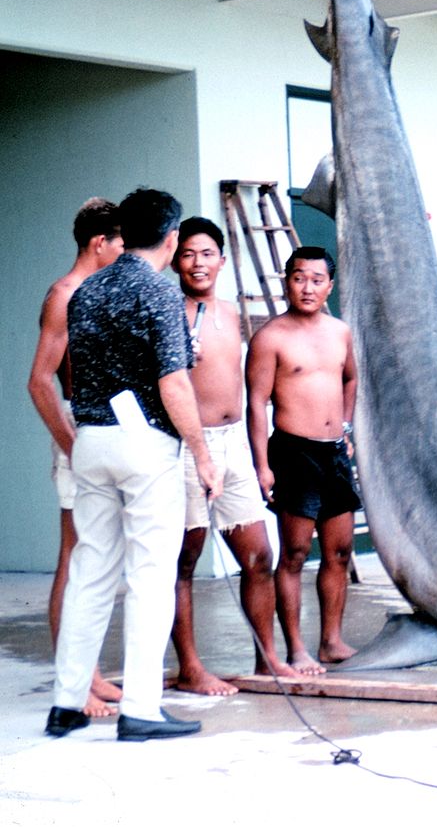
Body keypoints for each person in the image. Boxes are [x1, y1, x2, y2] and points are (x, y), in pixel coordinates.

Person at [45, 188, 222, 742]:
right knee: (150, 576)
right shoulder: (160, 294)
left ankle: (67, 702)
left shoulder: (86, 290)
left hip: (90, 438)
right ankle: (141, 709)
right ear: (171, 238)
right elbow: (172, 381)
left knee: (90, 572)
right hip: (145, 442)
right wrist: (201, 451)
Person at [171, 217, 297, 694]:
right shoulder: (167, 310)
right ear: (175, 260)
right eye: (187, 254)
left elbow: (252, 391)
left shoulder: (232, 313)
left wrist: (260, 457)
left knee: (259, 556)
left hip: (233, 445)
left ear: (222, 261)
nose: (197, 263)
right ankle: (190, 669)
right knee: (183, 561)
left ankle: (267, 660)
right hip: (186, 444)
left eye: (206, 253)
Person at [28, 197, 125, 718]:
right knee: (75, 555)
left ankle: (89, 671)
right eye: (120, 244)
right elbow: (40, 382)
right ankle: (74, 683)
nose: (126, 254)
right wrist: (74, 447)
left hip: (107, 431)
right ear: (99, 244)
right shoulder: (65, 295)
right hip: (80, 433)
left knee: (100, 558)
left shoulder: (100, 292)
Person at [246, 246, 359, 675]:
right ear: (286, 281)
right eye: (298, 277)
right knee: (294, 553)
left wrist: (346, 429)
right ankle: (295, 649)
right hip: (293, 451)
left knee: (340, 552)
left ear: (330, 285)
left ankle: (330, 641)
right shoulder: (270, 337)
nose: (306, 287)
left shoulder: (341, 332)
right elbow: (255, 404)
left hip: (334, 452)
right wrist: (262, 465)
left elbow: (350, 379)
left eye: (316, 279)